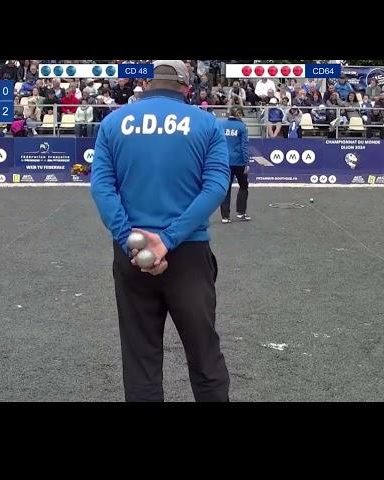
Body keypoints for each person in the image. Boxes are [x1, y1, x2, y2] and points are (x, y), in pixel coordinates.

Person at [90, 60, 231, 402]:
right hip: (188, 255)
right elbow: (216, 186)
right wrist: (167, 240)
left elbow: (101, 188)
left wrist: (131, 240)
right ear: (186, 87)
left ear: (147, 85)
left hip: (132, 255)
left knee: (141, 361)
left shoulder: (113, 123)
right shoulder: (207, 124)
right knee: (204, 357)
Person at [220, 107, 250, 223]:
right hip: (239, 162)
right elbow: (244, 146)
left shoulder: (221, 124)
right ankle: (241, 213)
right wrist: (247, 162)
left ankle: (225, 216)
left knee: (226, 189)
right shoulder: (241, 127)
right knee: (243, 186)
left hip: (225, 161)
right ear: (238, 114)